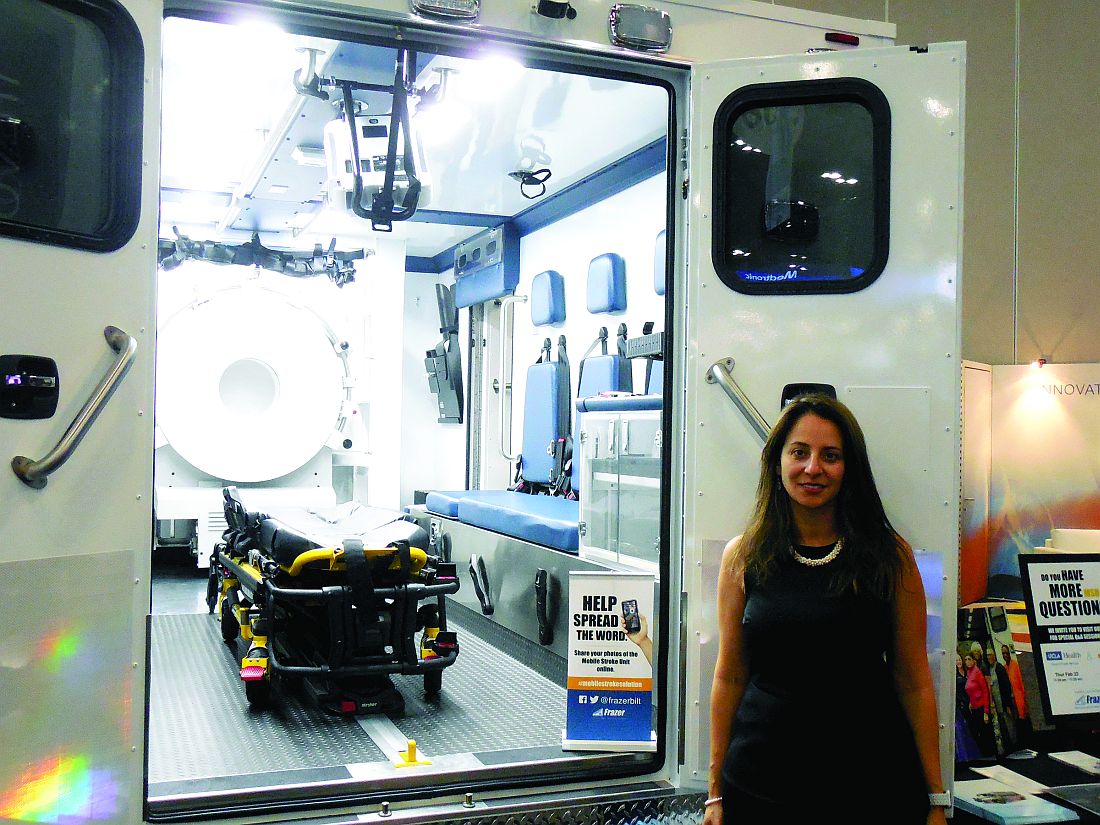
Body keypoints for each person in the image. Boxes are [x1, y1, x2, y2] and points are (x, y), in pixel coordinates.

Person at [704, 394, 948, 825]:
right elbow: (729, 676)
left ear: (849, 468)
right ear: (777, 463)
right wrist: (714, 794)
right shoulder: (742, 557)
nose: (813, 468)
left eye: (830, 456)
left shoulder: (890, 557)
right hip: (760, 786)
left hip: (870, 787)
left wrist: (935, 798)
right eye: (799, 452)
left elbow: (913, 680)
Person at [963, 652, 995, 756]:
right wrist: (971, 703)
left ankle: (992, 754)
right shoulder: (969, 673)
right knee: (980, 732)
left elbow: (985, 691)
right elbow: (970, 690)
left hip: (982, 707)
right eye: (966, 659)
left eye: (969, 659)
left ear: (973, 661)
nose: (967, 661)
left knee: (986, 732)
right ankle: (986, 754)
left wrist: (986, 711)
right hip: (975, 707)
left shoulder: (977, 672)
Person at [986, 646, 1017, 751]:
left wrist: (1008, 704)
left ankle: (1015, 746)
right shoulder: (989, 669)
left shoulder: (999, 668)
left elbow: (1006, 686)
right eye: (987, 655)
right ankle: (1008, 746)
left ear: (994, 656)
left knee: (1010, 725)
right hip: (997, 705)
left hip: (1004, 703)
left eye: (990, 655)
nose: (989, 657)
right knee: (1003, 727)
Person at [1002, 643, 1032, 746]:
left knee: (1024, 722)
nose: (1005, 655)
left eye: (1006, 653)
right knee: (1017, 724)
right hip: (1012, 701)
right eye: (1003, 653)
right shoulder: (1005, 668)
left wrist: (1024, 701)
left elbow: (1022, 684)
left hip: (1020, 700)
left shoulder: (1015, 665)